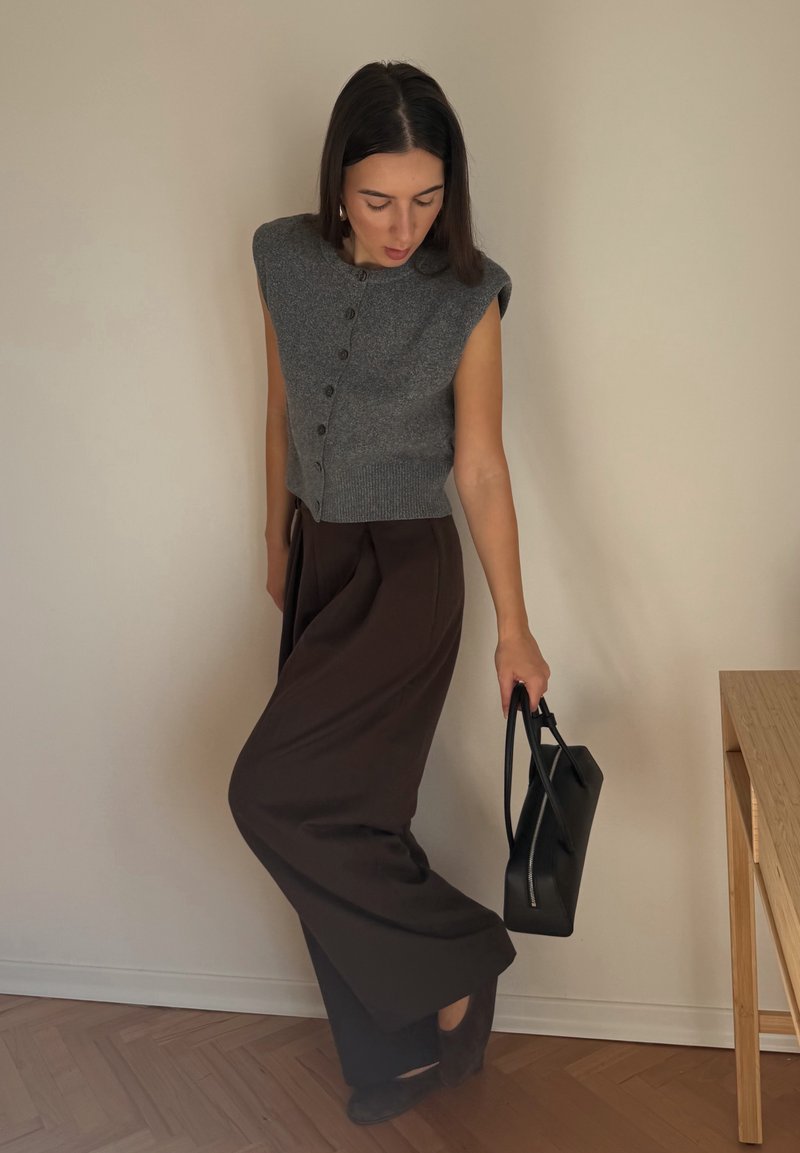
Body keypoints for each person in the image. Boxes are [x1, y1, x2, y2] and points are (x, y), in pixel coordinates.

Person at [228, 59, 550, 1126]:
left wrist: (516, 627)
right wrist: (275, 536)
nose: (402, 222)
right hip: (320, 555)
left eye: (425, 197)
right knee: (352, 815)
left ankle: (458, 954)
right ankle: (399, 1053)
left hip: (408, 572)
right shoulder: (281, 256)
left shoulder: (468, 297)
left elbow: (482, 469)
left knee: (267, 792)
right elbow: (277, 407)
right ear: (338, 183)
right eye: (377, 199)